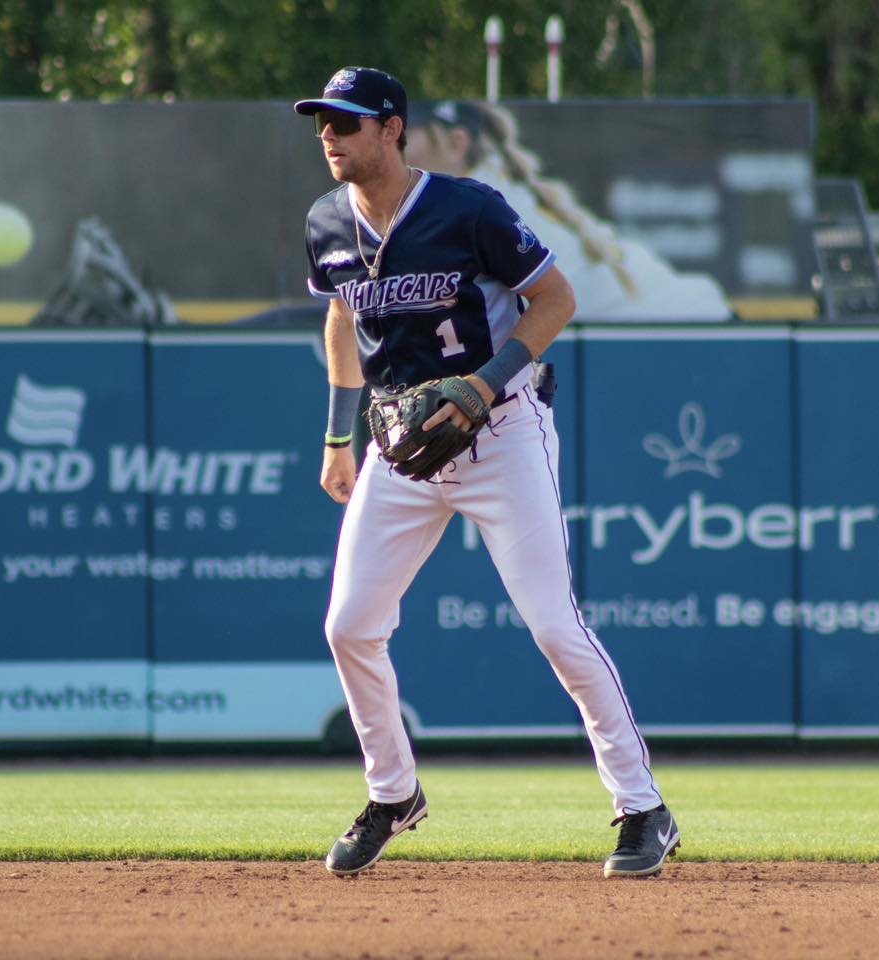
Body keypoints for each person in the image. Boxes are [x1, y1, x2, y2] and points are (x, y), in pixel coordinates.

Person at [295, 66, 678, 879]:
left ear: (392, 128)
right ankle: (393, 794)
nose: (329, 134)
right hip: (403, 447)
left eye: (346, 120)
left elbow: (556, 301)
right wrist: (338, 438)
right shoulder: (327, 221)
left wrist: (482, 381)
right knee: (350, 624)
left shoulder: (467, 207)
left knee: (553, 626)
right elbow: (339, 315)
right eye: (322, 121)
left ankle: (643, 807)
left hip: (501, 429)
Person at [403, 98, 734, 322]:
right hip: (688, 316)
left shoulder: (481, 205)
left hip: (687, 323)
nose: (398, 147)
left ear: (457, 145)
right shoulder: (485, 195)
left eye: (409, 136)